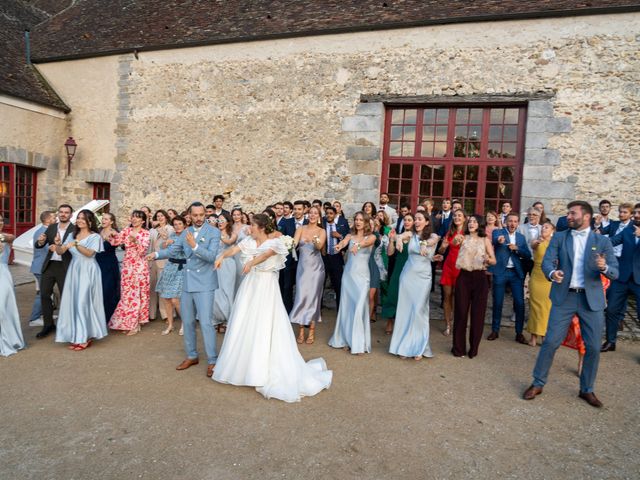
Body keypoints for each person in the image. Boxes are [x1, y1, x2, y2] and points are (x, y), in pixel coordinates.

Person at [212, 213, 332, 402]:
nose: (248, 228)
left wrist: (251, 262)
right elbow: (234, 249)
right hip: (250, 286)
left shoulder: (275, 242)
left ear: (260, 227)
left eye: (251, 225)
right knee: (245, 321)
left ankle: (261, 368)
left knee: (264, 321)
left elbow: (266, 255)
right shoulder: (249, 241)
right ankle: (242, 366)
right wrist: (221, 257)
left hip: (266, 286)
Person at [524, 200, 618, 408]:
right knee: (550, 342)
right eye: (568, 213)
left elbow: (615, 270)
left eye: (573, 213)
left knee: (593, 346)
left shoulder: (601, 241)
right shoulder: (559, 237)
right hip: (564, 297)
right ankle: (538, 383)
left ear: (586, 216)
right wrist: (552, 273)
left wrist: (604, 268)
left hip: (590, 300)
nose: (569, 216)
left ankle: (587, 389)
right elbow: (548, 261)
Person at [152, 202, 221, 377]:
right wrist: (157, 255)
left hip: (205, 283)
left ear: (205, 214)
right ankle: (192, 355)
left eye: (201, 215)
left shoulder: (214, 232)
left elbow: (212, 257)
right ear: (189, 215)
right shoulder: (185, 232)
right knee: (188, 321)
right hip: (188, 282)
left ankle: (213, 360)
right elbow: (174, 250)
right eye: (195, 215)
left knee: (205, 322)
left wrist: (195, 246)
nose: (198, 218)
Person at [54, 209, 108, 350]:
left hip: (88, 270)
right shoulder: (72, 234)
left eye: (83, 218)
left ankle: (84, 337)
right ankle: (78, 335)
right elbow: (61, 251)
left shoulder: (95, 236)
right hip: (74, 270)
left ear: (90, 221)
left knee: (83, 302)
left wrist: (77, 244)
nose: (79, 220)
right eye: (78, 218)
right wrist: (59, 244)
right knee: (73, 302)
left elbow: (90, 254)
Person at [388, 212, 439, 360]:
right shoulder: (409, 234)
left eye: (419, 219)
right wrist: (397, 239)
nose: (416, 221)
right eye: (415, 219)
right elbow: (400, 236)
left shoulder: (433, 236)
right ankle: (404, 346)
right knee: (405, 310)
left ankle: (419, 346)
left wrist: (424, 243)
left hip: (423, 277)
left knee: (419, 310)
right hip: (407, 276)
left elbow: (432, 241)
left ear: (427, 222)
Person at [328, 212, 376, 354]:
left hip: (362, 277)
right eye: (356, 219)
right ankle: (346, 339)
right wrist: (339, 247)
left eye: (361, 219)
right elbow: (343, 242)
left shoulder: (371, 236)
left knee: (360, 306)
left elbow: (365, 243)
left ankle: (358, 342)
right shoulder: (350, 236)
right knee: (348, 307)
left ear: (366, 222)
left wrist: (358, 246)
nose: (358, 222)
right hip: (349, 275)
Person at [451, 215, 496, 358]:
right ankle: (458, 349)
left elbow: (493, 260)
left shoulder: (485, 240)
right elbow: (453, 243)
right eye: (469, 221)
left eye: (474, 221)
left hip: (480, 278)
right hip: (463, 277)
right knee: (461, 313)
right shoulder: (462, 237)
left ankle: (474, 348)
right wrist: (455, 240)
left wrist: (488, 259)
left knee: (478, 315)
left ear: (480, 224)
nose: (471, 223)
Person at [602, 203, 640, 352]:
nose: (636, 215)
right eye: (635, 213)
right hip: (622, 277)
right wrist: (593, 240)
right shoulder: (628, 230)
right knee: (611, 310)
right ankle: (610, 342)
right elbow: (612, 241)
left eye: (638, 213)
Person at [488, 212, 531, 343]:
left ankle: (519, 333)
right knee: (498, 302)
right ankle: (495, 330)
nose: (512, 223)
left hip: (516, 273)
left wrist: (517, 248)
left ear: (518, 223)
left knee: (519, 303)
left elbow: (527, 254)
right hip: (501, 272)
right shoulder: (498, 232)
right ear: (506, 222)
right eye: (510, 221)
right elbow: (496, 239)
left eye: (515, 221)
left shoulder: (521, 237)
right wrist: (500, 240)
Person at [34, 204, 74, 339]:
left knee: (65, 296)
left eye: (66, 212)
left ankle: (65, 325)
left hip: (65, 266)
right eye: (61, 212)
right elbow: (40, 244)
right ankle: (48, 325)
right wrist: (40, 242)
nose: (63, 214)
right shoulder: (51, 227)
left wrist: (59, 246)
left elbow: (75, 249)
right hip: (50, 265)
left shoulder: (75, 230)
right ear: (58, 214)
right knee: (44, 295)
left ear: (71, 215)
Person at [109, 210, 151, 335]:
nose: (134, 219)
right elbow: (116, 242)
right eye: (133, 217)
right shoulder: (126, 231)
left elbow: (143, 251)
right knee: (127, 294)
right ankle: (127, 322)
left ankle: (135, 324)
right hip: (127, 266)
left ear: (143, 221)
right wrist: (111, 235)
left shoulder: (145, 233)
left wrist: (135, 241)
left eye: (137, 217)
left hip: (139, 266)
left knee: (138, 294)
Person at [290, 206, 326, 344]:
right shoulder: (301, 229)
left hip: (316, 269)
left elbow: (319, 247)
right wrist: (288, 244)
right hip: (302, 268)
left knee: (313, 298)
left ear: (318, 216)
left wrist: (316, 240)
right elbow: (294, 243)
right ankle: (300, 330)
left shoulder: (321, 231)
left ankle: (311, 330)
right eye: (310, 213)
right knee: (301, 296)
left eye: (315, 213)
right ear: (307, 214)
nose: (312, 215)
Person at [434, 208, 466, 336]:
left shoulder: (468, 233)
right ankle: (448, 324)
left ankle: (460, 323)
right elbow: (441, 251)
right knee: (447, 296)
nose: (457, 218)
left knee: (461, 297)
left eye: (459, 215)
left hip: (462, 267)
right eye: (455, 216)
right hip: (449, 266)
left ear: (464, 218)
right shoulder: (450, 232)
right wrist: (443, 246)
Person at [381, 213, 414, 335]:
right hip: (398, 267)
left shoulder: (416, 237)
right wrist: (391, 240)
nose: (406, 222)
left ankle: (404, 322)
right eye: (405, 220)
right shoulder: (397, 236)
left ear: (414, 222)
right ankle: (390, 321)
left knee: (407, 296)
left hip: (411, 269)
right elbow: (390, 253)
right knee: (393, 293)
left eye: (409, 220)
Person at [155, 215, 187, 336]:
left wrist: (173, 242)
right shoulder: (172, 235)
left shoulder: (187, 235)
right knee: (166, 299)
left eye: (180, 224)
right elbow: (164, 247)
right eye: (175, 224)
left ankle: (185, 323)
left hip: (181, 269)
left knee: (176, 300)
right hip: (169, 267)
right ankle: (170, 324)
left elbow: (183, 249)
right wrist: (165, 241)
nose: (178, 226)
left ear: (184, 224)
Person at [526, 221, 555, 346]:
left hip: (548, 278)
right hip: (537, 276)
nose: (544, 228)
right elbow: (533, 245)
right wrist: (537, 242)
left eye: (547, 227)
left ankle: (543, 335)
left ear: (552, 231)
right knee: (535, 307)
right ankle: (533, 336)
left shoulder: (555, 245)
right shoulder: (537, 241)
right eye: (542, 227)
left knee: (546, 308)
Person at [0, 220, 25, 356]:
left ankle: (7, 340)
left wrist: (2, 237)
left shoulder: (7, 236)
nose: (0, 222)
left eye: (2, 220)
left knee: (3, 307)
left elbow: (12, 237)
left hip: (3, 276)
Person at [28, 210, 55, 327]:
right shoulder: (44, 232)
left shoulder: (42, 230)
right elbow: (48, 251)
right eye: (54, 218)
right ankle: (34, 318)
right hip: (41, 267)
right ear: (48, 220)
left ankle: (45, 314)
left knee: (47, 292)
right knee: (42, 293)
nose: (56, 219)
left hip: (40, 266)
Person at [213, 212, 238, 333]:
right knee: (216, 291)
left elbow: (229, 243)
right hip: (215, 263)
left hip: (228, 263)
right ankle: (217, 318)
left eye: (222, 220)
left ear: (228, 222)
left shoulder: (232, 234)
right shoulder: (213, 232)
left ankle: (228, 320)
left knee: (227, 291)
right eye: (219, 220)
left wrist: (219, 235)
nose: (220, 222)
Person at [96, 212, 121, 324]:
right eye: (103, 219)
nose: (104, 221)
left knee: (108, 290)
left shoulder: (114, 233)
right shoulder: (97, 231)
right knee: (98, 290)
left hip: (109, 264)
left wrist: (110, 239)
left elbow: (118, 244)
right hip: (96, 262)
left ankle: (108, 317)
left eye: (106, 219)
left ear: (111, 221)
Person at [322, 206, 349, 308]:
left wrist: (339, 236)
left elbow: (347, 237)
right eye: (327, 213)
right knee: (321, 283)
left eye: (331, 213)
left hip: (336, 257)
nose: (329, 215)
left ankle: (340, 308)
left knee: (338, 284)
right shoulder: (322, 225)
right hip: (324, 257)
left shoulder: (340, 226)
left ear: (335, 214)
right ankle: (318, 308)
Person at [148, 210, 173, 321]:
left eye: (162, 215)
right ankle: (151, 314)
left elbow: (170, 243)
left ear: (166, 217)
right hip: (152, 261)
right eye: (157, 216)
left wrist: (163, 233)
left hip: (164, 260)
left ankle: (166, 314)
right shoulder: (152, 230)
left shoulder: (170, 228)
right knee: (151, 287)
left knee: (163, 288)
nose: (160, 218)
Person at [278, 202, 299, 313]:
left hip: (306, 259)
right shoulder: (286, 222)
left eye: (299, 209)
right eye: (295, 209)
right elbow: (281, 238)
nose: (297, 211)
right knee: (287, 286)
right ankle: (287, 310)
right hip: (289, 259)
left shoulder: (307, 223)